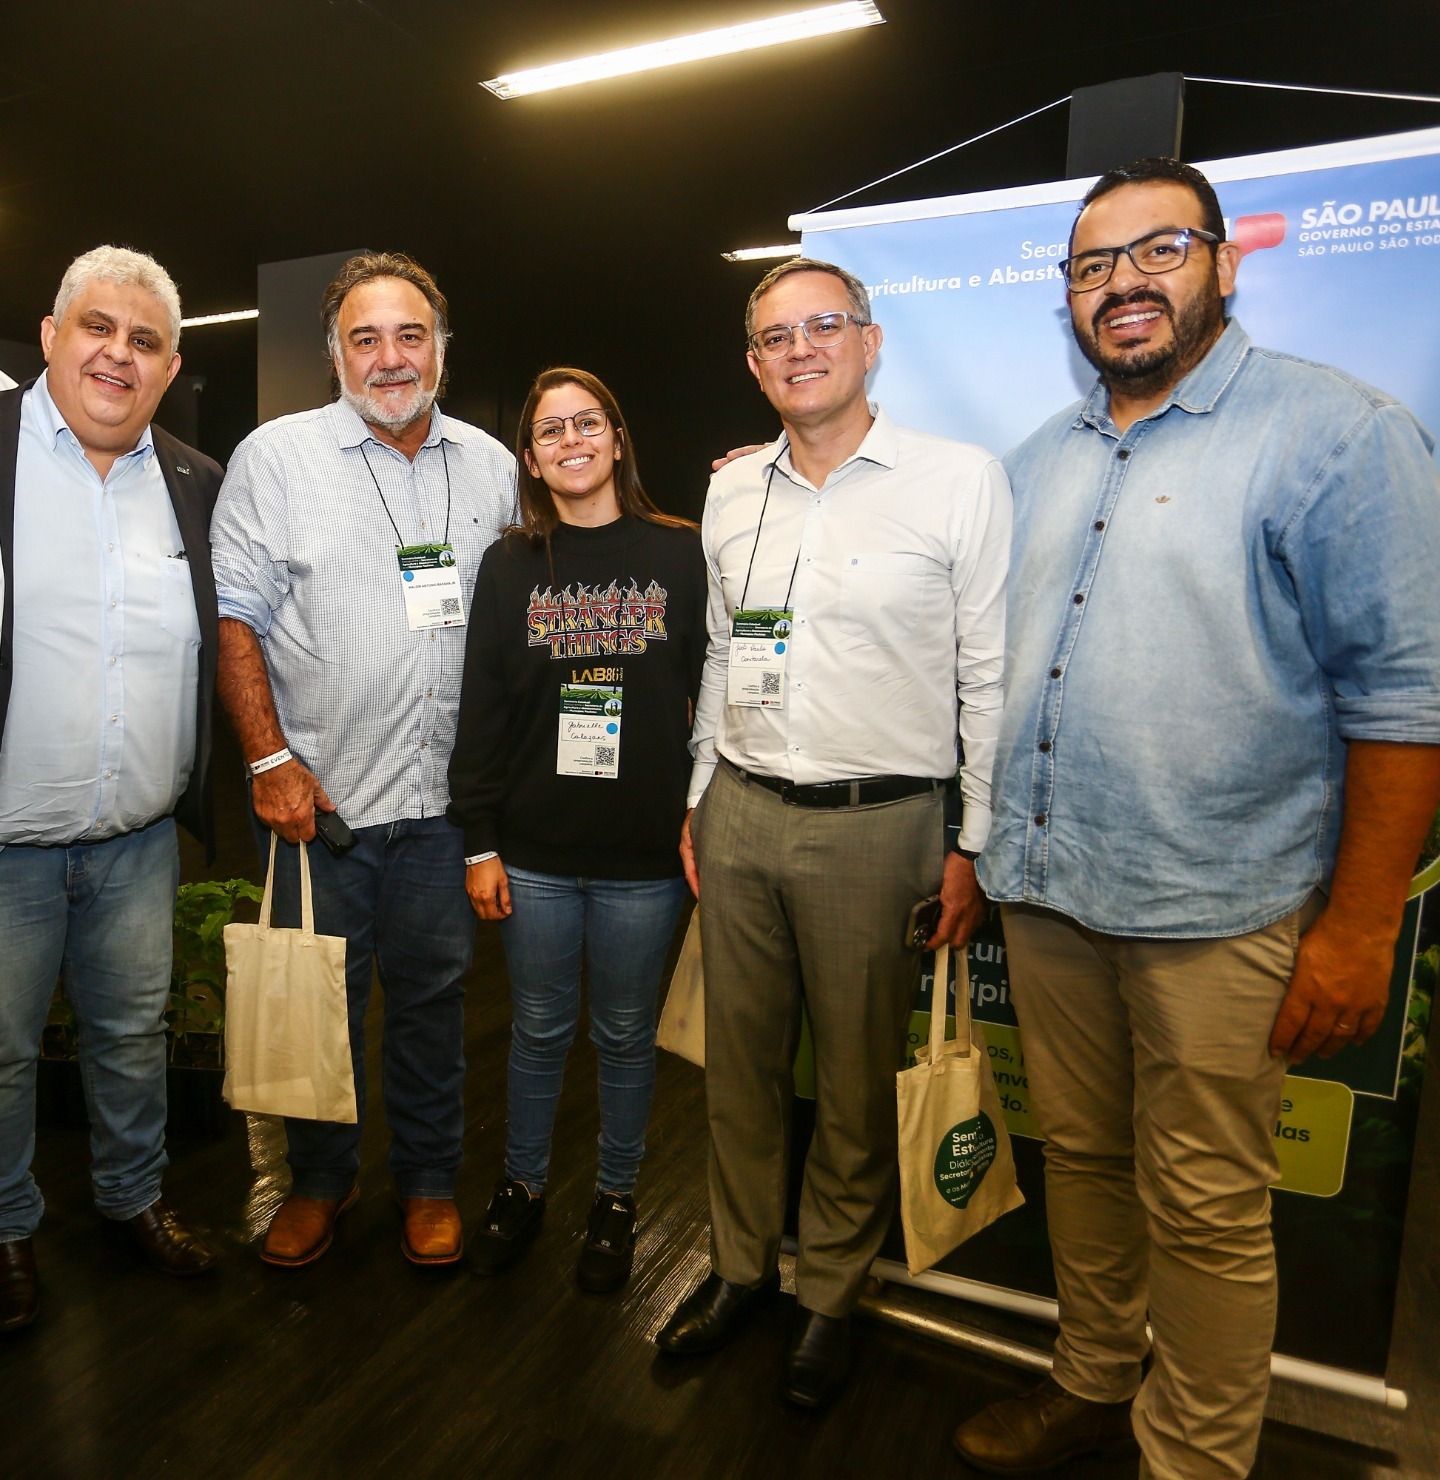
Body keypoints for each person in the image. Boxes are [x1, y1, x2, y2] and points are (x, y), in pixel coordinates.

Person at [955, 159, 1440, 1479]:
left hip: (1219, 911)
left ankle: (1191, 1459)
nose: (1122, 283)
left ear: (1225, 266)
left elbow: (1410, 703)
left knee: (1205, 1208)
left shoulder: (1340, 434)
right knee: (1081, 1159)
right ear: (1067, 296)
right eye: (1091, 265)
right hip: (1055, 893)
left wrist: (1359, 930)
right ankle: (1090, 1382)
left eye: (1159, 251)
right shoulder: (1037, 460)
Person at [654, 258, 1011, 1407]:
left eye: (822, 327)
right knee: (738, 1074)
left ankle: (830, 1298)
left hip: (881, 825)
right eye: (772, 336)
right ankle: (741, 1270)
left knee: (856, 1084)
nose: (798, 349)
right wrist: (702, 792)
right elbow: (721, 651)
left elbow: (989, 678)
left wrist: (974, 843)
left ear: (868, 342)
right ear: (753, 364)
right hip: (744, 812)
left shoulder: (959, 481)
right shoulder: (730, 489)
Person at [210, 252, 517, 1270]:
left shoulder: (491, 465)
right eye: (365, 337)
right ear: (335, 351)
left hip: (443, 807)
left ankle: (428, 1183)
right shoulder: (276, 458)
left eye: (410, 335)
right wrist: (268, 761)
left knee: (432, 1005)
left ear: (440, 346)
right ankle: (320, 1181)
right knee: (317, 1006)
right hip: (323, 802)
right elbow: (237, 621)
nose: (390, 358)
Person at [1, 247, 224, 1333]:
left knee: (134, 1033)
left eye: (143, 341)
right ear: (50, 337)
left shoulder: (194, 482)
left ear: (170, 365)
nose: (116, 354)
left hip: (138, 838)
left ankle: (132, 1201)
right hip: (7, 841)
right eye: (97, 327)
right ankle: (4, 1228)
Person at [447, 367, 706, 1290]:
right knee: (539, 1029)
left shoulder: (681, 552)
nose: (571, 441)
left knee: (628, 1037)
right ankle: (521, 1188)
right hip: (536, 852)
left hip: (644, 854)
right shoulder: (511, 563)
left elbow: (713, 700)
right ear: (531, 456)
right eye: (549, 430)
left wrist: (699, 814)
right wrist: (478, 839)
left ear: (617, 436)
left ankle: (616, 1202)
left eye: (586, 423)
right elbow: (480, 707)